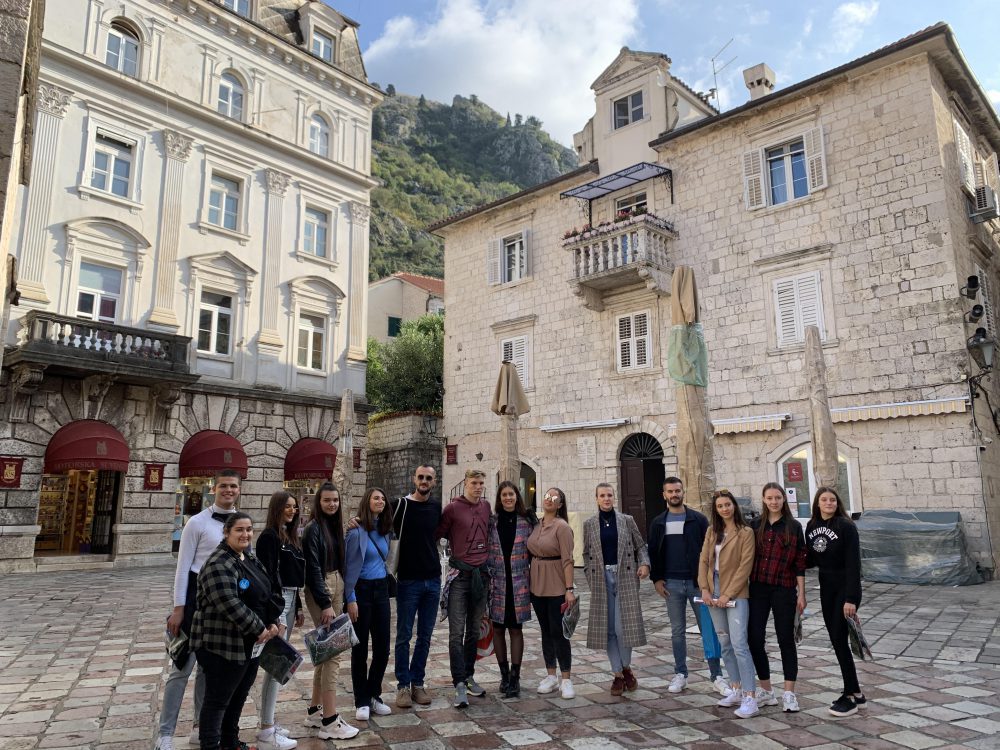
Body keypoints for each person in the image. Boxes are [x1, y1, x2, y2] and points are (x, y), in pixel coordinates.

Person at [156, 469, 241, 750]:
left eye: (233, 486)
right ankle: (165, 734)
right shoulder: (197, 523)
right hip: (195, 599)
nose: (228, 490)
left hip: (222, 604)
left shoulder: (240, 523)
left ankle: (199, 726)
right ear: (214, 488)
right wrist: (179, 608)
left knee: (209, 670)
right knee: (181, 668)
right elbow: (182, 568)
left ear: (239, 489)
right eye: (223, 486)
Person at [190, 512, 285, 750]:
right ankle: (211, 745)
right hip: (222, 644)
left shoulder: (248, 558)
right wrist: (259, 627)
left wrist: (272, 620)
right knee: (217, 700)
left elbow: (267, 590)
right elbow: (228, 602)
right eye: (239, 530)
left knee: (238, 695)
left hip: (249, 644)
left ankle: (230, 741)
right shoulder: (218, 563)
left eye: (249, 529)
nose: (245, 534)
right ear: (226, 533)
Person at [647, 477, 727, 696]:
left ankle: (717, 675)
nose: (674, 494)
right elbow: (653, 552)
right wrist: (656, 579)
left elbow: (709, 552)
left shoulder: (698, 520)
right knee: (677, 632)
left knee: (708, 630)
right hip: (671, 584)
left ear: (683, 492)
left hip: (697, 584)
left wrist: (707, 582)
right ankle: (680, 673)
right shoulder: (658, 523)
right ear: (664, 495)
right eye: (670, 491)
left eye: (677, 490)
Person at [301, 483, 358, 740]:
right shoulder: (313, 529)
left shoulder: (335, 526)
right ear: (318, 502)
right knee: (334, 651)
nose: (332, 504)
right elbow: (313, 567)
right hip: (321, 587)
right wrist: (324, 602)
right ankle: (330, 720)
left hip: (337, 581)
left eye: (335, 500)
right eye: (327, 500)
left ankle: (315, 711)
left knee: (325, 652)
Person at [582, 483, 650, 696]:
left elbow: (640, 546)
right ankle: (619, 674)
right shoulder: (589, 524)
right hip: (601, 579)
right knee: (609, 629)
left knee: (624, 628)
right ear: (596, 498)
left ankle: (625, 666)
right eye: (602, 495)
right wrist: (590, 575)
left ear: (614, 497)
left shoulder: (627, 520)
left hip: (625, 577)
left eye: (609, 495)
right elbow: (586, 553)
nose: (606, 499)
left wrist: (644, 564)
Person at [806, 486, 866, 717]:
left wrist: (851, 598)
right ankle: (857, 692)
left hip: (845, 588)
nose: (829, 503)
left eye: (832, 499)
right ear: (817, 503)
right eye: (824, 499)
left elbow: (853, 564)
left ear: (837, 502)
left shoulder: (846, 526)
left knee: (840, 641)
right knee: (836, 639)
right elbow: (811, 559)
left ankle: (849, 697)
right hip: (827, 587)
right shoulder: (812, 526)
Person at [698, 489, 758, 719]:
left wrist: (728, 594)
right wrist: (704, 588)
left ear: (734, 506)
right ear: (716, 509)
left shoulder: (745, 532)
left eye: (728, 504)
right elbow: (704, 560)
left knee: (739, 643)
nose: (725, 509)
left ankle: (750, 696)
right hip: (713, 590)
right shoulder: (712, 531)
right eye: (720, 506)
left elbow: (745, 566)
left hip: (736, 592)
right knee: (724, 642)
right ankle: (736, 689)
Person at [748, 483, 807, 713]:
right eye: (770, 498)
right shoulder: (755, 525)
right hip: (758, 588)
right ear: (764, 500)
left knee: (786, 640)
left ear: (783, 499)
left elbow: (800, 563)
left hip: (784, 589)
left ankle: (789, 693)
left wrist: (802, 594)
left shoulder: (793, 527)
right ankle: (766, 689)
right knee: (755, 638)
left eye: (778, 498)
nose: (774, 502)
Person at [254, 491, 306, 750]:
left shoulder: (289, 536)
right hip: (278, 601)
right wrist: (276, 614)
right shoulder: (269, 537)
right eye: (287, 506)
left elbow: (293, 575)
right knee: (277, 666)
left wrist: (298, 605)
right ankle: (266, 730)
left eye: (294, 507)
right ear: (276, 507)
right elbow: (268, 577)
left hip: (290, 598)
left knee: (279, 666)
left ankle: (270, 721)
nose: (292, 510)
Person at [436, 468, 491, 707]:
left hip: (481, 577)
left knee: (474, 631)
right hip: (460, 578)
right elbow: (436, 535)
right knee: (456, 633)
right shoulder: (452, 509)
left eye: (481, 483)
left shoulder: (487, 507)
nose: (478, 487)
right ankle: (458, 682)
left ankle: (469, 676)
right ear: (465, 483)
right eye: (474, 483)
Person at [392, 465, 442, 709]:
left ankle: (418, 683)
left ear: (434, 481)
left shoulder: (436, 507)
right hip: (408, 580)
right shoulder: (400, 506)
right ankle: (403, 685)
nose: (424, 481)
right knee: (404, 636)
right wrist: (355, 521)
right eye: (420, 477)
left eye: (428, 478)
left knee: (425, 636)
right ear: (414, 479)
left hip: (433, 579)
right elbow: (374, 517)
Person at [344, 488, 394, 722]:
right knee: (360, 649)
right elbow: (348, 567)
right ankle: (361, 700)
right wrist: (351, 598)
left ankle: (374, 694)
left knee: (383, 648)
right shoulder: (356, 532)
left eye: (383, 498)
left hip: (381, 589)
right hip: (361, 590)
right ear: (367, 501)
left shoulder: (385, 530)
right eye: (376, 498)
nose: (380, 501)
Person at [485, 481, 536, 698]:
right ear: (499, 498)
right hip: (497, 582)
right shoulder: (492, 522)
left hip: (519, 583)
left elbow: (535, 550)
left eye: (511, 494)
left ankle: (515, 677)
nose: (508, 498)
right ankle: (504, 675)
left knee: (516, 629)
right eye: (504, 494)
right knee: (497, 629)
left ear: (517, 496)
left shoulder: (526, 522)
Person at [525, 487, 576, 700]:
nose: (549, 499)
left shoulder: (562, 527)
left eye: (554, 497)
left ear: (560, 504)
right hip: (537, 585)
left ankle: (566, 679)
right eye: (547, 495)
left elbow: (568, 559)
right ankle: (551, 675)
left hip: (556, 584)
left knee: (558, 631)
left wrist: (569, 589)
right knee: (545, 631)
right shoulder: (536, 525)